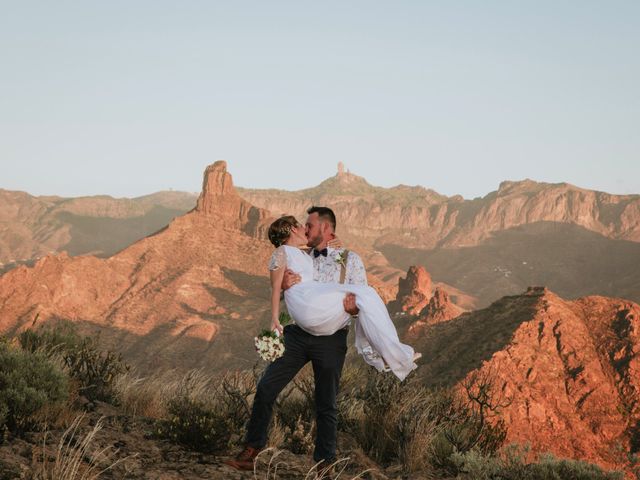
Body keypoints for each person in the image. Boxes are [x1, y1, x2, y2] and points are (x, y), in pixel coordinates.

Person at [225, 207, 418, 472]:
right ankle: (252, 449)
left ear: (327, 229)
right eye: (303, 225)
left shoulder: (350, 260)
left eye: (310, 225)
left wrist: (354, 310)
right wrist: (284, 286)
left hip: (330, 341)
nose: (305, 229)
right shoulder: (299, 254)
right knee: (267, 387)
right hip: (296, 335)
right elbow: (284, 289)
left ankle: (325, 463)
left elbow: (360, 297)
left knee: (326, 403)